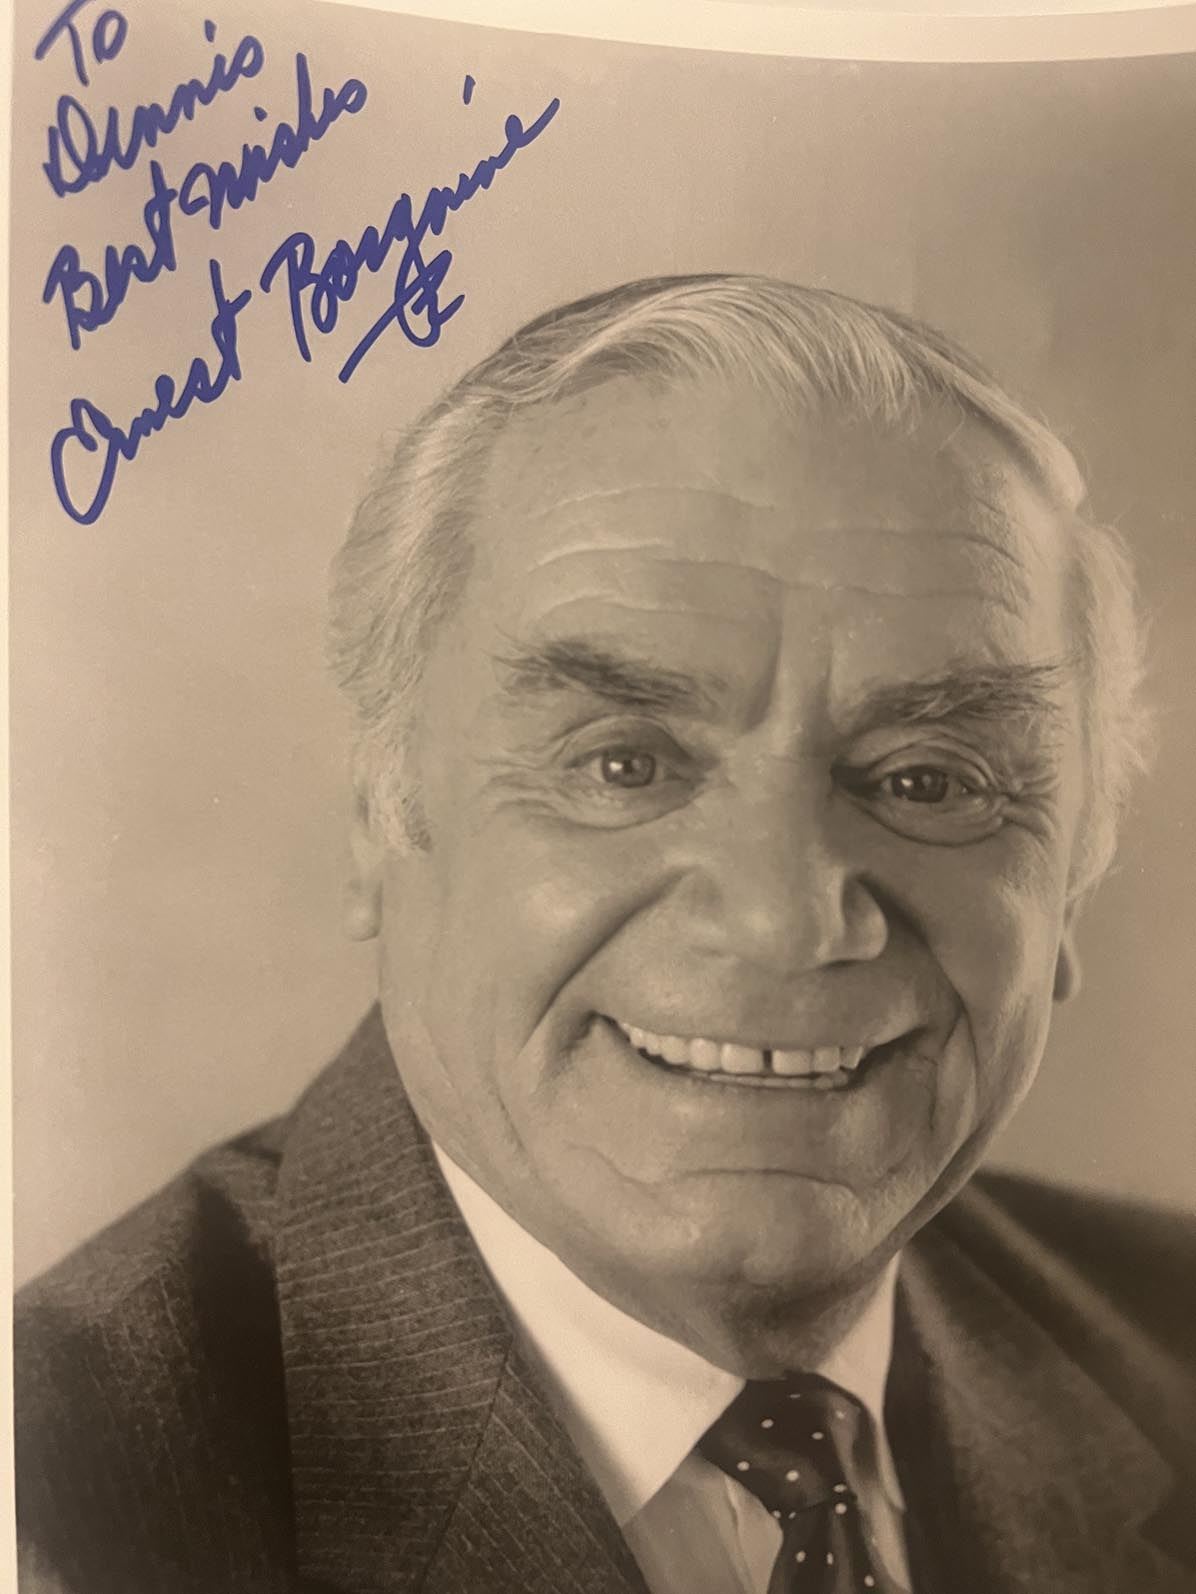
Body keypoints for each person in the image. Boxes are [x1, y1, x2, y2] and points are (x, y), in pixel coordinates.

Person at [15, 276, 1196, 1594]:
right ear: (380, 822)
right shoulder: (61, 1504)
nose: (786, 919)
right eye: (625, 764)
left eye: (926, 780)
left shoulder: (1169, 1339)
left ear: (1070, 882)